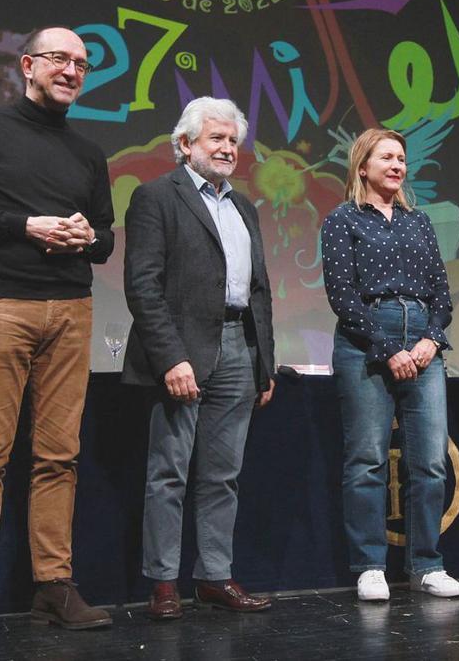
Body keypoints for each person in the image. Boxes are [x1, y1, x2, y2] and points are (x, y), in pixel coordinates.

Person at [0, 26, 115, 644]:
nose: (72, 70)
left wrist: (88, 237)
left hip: (70, 311)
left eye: (82, 64)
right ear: (28, 65)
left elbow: (107, 240)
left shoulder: (89, 153)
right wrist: (26, 225)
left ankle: (53, 587)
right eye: (60, 59)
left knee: (59, 456)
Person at [121, 97, 276, 618]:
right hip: (182, 353)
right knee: (169, 473)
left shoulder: (244, 207)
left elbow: (259, 290)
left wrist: (264, 362)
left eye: (233, 140)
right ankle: (164, 582)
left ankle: (213, 576)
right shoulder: (155, 198)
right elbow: (143, 286)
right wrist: (170, 359)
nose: (228, 148)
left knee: (223, 475)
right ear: (185, 145)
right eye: (216, 138)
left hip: (238, 349)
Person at [321, 128, 459, 601]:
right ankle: (370, 566)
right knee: (366, 461)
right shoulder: (343, 220)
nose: (398, 165)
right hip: (366, 340)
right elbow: (342, 295)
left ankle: (426, 564)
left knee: (430, 462)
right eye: (387, 157)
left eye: (402, 158)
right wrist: (388, 347)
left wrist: (430, 340)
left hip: (421, 337)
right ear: (363, 166)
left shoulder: (418, 222)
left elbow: (442, 293)